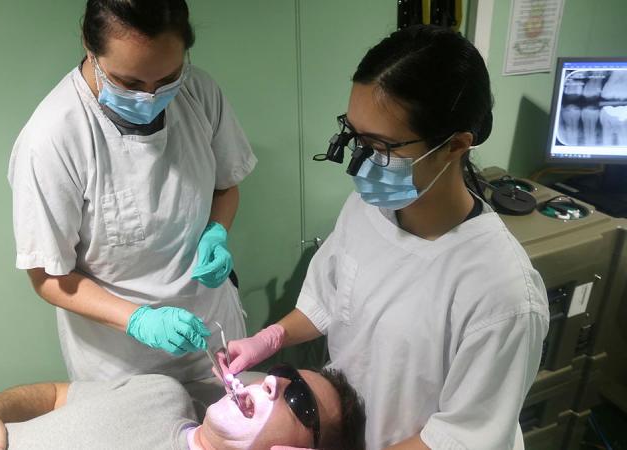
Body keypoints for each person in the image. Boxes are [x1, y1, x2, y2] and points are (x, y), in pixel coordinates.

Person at [218, 25, 550, 450]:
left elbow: (459, 438)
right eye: (355, 136)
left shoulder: (503, 296)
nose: (360, 163)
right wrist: (270, 338)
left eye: (381, 147)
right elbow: (328, 302)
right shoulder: (366, 210)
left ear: (455, 145)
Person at [7, 0, 256, 383]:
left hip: (212, 328)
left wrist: (217, 231)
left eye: (168, 77)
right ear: (90, 47)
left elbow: (226, 186)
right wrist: (138, 320)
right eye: (131, 83)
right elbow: (47, 276)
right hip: (123, 360)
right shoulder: (52, 140)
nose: (152, 97)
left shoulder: (199, 93)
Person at [0, 366, 366, 450]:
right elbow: (50, 393)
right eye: (283, 374)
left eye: (297, 400)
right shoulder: (161, 391)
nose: (271, 382)